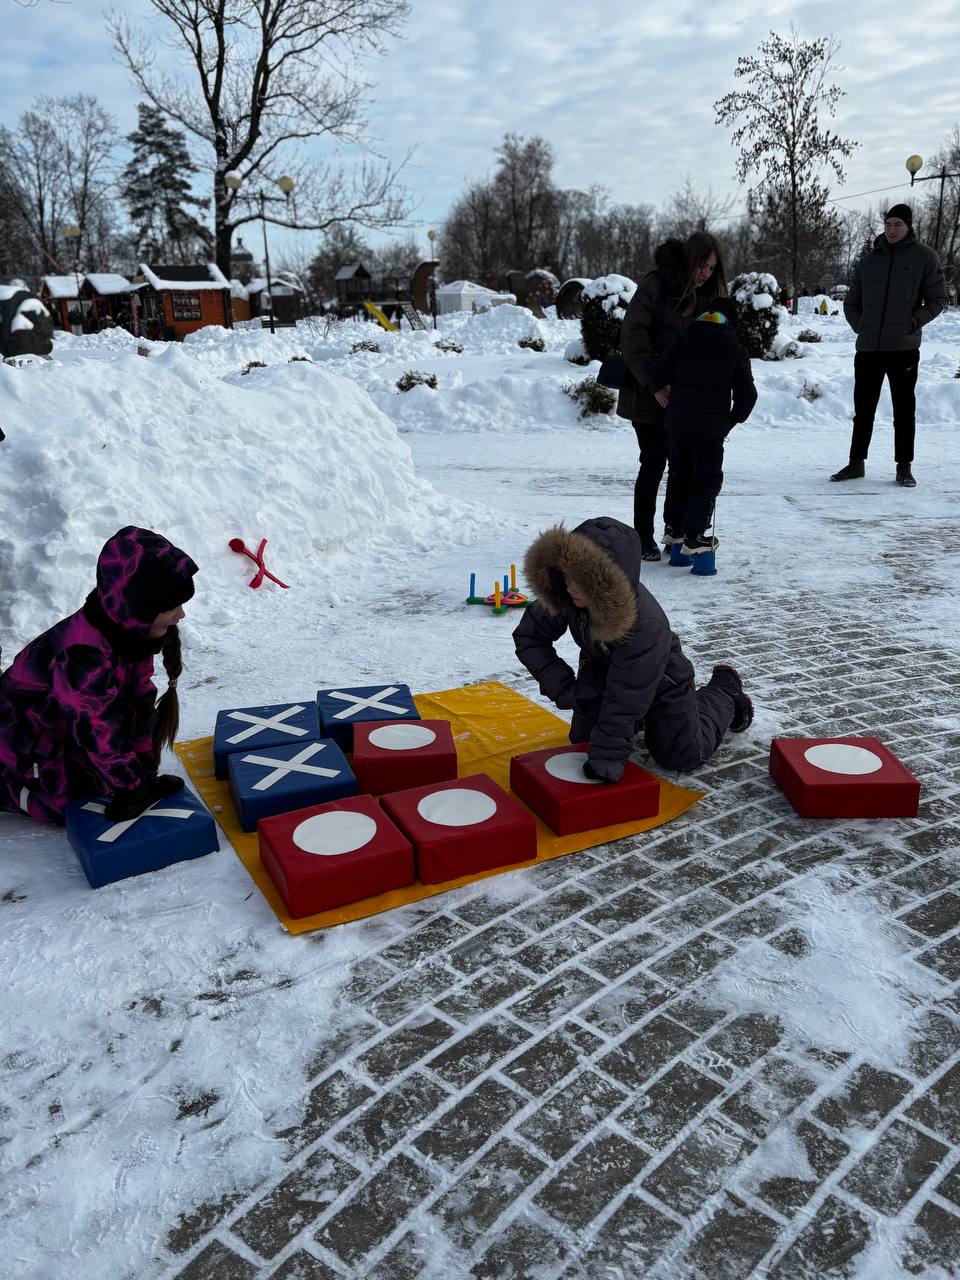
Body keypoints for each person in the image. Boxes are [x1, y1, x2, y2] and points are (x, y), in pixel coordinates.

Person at [513, 516, 753, 782]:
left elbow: (627, 695)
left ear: (605, 583)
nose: (571, 587)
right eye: (568, 576)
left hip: (662, 678)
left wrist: (606, 758)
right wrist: (565, 688)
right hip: (603, 668)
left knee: (681, 755)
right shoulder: (567, 595)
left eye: (582, 581)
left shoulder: (645, 625)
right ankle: (638, 722)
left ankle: (724, 692)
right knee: (582, 742)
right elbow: (529, 638)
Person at [0, 527, 198, 824]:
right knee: (71, 805)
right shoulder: (81, 654)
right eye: (172, 607)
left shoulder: (131, 635)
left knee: (105, 781)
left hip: (61, 724)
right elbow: (96, 725)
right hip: (19, 732)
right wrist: (131, 789)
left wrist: (143, 769)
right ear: (138, 606)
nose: (180, 615)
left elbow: (138, 703)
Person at [617, 232, 728, 562]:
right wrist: (656, 385)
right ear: (689, 259)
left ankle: (675, 532)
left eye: (711, 268)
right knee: (652, 463)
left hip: (685, 402)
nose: (706, 273)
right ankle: (642, 537)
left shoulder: (707, 297)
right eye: (701, 265)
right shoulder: (655, 285)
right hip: (647, 393)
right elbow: (633, 338)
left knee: (684, 469)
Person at [832, 204, 947, 487]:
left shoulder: (924, 257)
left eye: (897, 224)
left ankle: (904, 466)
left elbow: (938, 300)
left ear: (908, 226)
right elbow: (851, 301)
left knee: (904, 409)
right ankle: (856, 462)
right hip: (869, 347)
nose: (892, 229)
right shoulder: (868, 262)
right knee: (864, 409)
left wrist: (912, 322)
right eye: (888, 224)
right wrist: (861, 325)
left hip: (903, 347)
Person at [647, 296, 757, 555]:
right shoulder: (735, 348)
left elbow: (656, 374)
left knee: (678, 476)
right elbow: (747, 396)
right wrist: (731, 420)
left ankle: (672, 529)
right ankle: (694, 537)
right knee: (705, 481)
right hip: (710, 429)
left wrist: (663, 392)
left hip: (676, 424)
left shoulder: (682, 340)